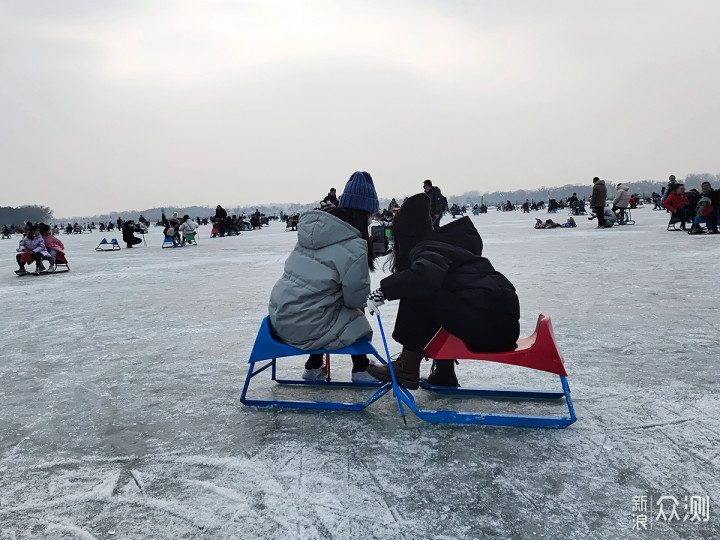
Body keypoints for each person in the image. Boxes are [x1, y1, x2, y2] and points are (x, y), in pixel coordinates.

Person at [365, 193, 520, 389]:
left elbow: (423, 279)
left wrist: (384, 290)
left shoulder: (429, 249)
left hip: (492, 329)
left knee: (421, 290)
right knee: (440, 292)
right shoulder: (444, 244)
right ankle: (444, 372)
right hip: (500, 325)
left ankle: (407, 365)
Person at [268, 171, 380, 382]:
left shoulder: (314, 233)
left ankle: (313, 365)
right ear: (366, 214)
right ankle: (361, 369)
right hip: (307, 325)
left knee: (319, 304)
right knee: (353, 314)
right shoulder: (355, 245)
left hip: (279, 317)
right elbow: (356, 299)